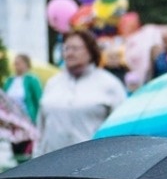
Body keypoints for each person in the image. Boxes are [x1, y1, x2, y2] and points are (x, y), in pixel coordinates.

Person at [33, 29, 127, 158]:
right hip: (52, 163)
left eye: (75, 48)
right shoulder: (53, 83)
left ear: (91, 51)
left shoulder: (109, 84)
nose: (69, 53)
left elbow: (122, 129)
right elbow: (41, 128)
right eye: (66, 48)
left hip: (93, 164)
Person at [3, 53, 43, 123]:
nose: (16, 65)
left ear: (26, 64)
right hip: (10, 118)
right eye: (15, 63)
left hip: (27, 118)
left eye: (18, 63)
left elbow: (39, 100)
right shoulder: (9, 80)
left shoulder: (32, 79)